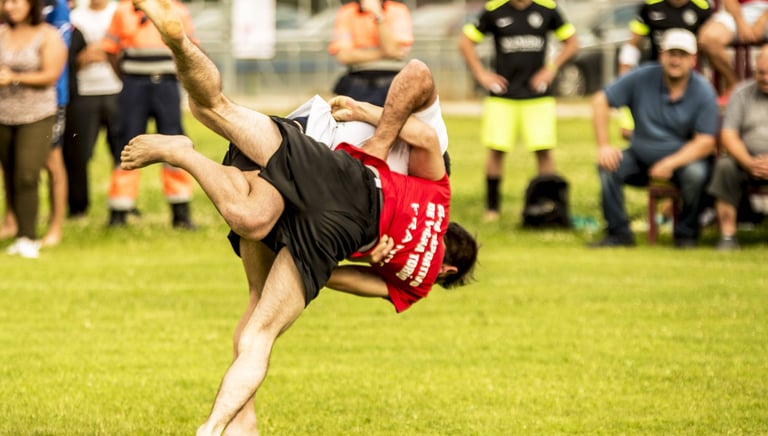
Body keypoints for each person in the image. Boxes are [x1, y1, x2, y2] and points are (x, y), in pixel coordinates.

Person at [121, 1, 478, 434]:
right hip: (326, 167)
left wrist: (375, 138)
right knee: (257, 291)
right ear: (448, 266)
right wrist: (378, 137)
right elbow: (418, 80)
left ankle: (180, 72)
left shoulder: (432, 194)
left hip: (329, 177)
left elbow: (418, 98)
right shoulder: (419, 261)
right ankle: (224, 426)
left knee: (218, 128)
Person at [590, 28, 719, 248]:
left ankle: (686, 234)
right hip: (640, 157)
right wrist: (604, 145)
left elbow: (706, 142)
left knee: (697, 174)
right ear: (662, 55)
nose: (676, 60)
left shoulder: (704, 91)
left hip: (683, 161)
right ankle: (618, 233)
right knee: (608, 166)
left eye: (682, 54)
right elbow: (600, 100)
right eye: (671, 53)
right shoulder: (642, 76)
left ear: (693, 59)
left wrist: (670, 163)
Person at [458, 0, 579, 222]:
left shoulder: (547, 8)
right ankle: (492, 209)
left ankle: (547, 206)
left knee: (544, 150)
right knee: (496, 150)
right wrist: (481, 74)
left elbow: (572, 42)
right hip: (503, 96)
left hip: (537, 96)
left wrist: (550, 69)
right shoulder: (495, 9)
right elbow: (465, 42)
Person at [100, 0, 195, 228]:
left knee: (173, 141)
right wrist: (127, 78)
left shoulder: (177, 10)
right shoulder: (122, 11)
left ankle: (180, 211)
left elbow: (189, 49)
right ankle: (119, 210)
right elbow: (110, 50)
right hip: (134, 85)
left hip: (167, 85)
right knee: (127, 142)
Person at [0, 0, 68, 258]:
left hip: (38, 114)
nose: (10, 6)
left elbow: (51, 75)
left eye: (17, 1)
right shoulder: (2, 34)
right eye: (6, 2)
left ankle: (29, 237)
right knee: (10, 174)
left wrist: (15, 78)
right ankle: (19, 233)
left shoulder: (48, 35)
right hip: (4, 114)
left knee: (28, 173)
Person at [617, 0, 714, 139]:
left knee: (691, 134)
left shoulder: (702, 7)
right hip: (656, 80)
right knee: (629, 132)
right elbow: (633, 44)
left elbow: (708, 45)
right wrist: (625, 72)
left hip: (689, 82)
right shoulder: (650, 6)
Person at [707, 44, 768, 250]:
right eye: (761, 72)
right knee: (725, 166)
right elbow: (728, 134)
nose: (765, 78)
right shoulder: (742, 93)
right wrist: (750, 163)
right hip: (747, 159)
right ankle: (727, 236)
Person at [63, 0, 121, 218]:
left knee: (123, 153)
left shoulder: (119, 13)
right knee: (78, 155)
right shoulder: (74, 16)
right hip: (83, 93)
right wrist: (82, 58)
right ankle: (78, 208)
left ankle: (122, 207)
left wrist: (107, 53)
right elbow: (66, 56)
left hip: (117, 89)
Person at [328, 0, 413, 106]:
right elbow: (343, 56)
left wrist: (378, 16)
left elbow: (392, 50)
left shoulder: (397, 10)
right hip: (357, 80)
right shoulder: (346, 12)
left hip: (392, 80)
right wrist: (384, 53)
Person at [698, 0, 768, 101]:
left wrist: (762, 20)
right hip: (741, 11)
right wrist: (741, 23)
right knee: (708, 39)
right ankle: (735, 86)